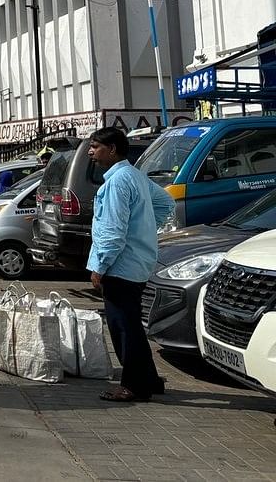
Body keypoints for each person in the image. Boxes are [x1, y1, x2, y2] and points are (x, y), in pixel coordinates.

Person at [86, 127, 175, 402]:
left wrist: (99, 267)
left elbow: (112, 232)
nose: (91, 152)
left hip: (121, 266)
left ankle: (134, 385)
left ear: (112, 149)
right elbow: (165, 203)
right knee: (132, 324)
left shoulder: (118, 182)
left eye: (95, 146)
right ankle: (148, 378)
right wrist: (143, 229)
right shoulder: (135, 176)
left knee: (124, 327)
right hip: (137, 262)